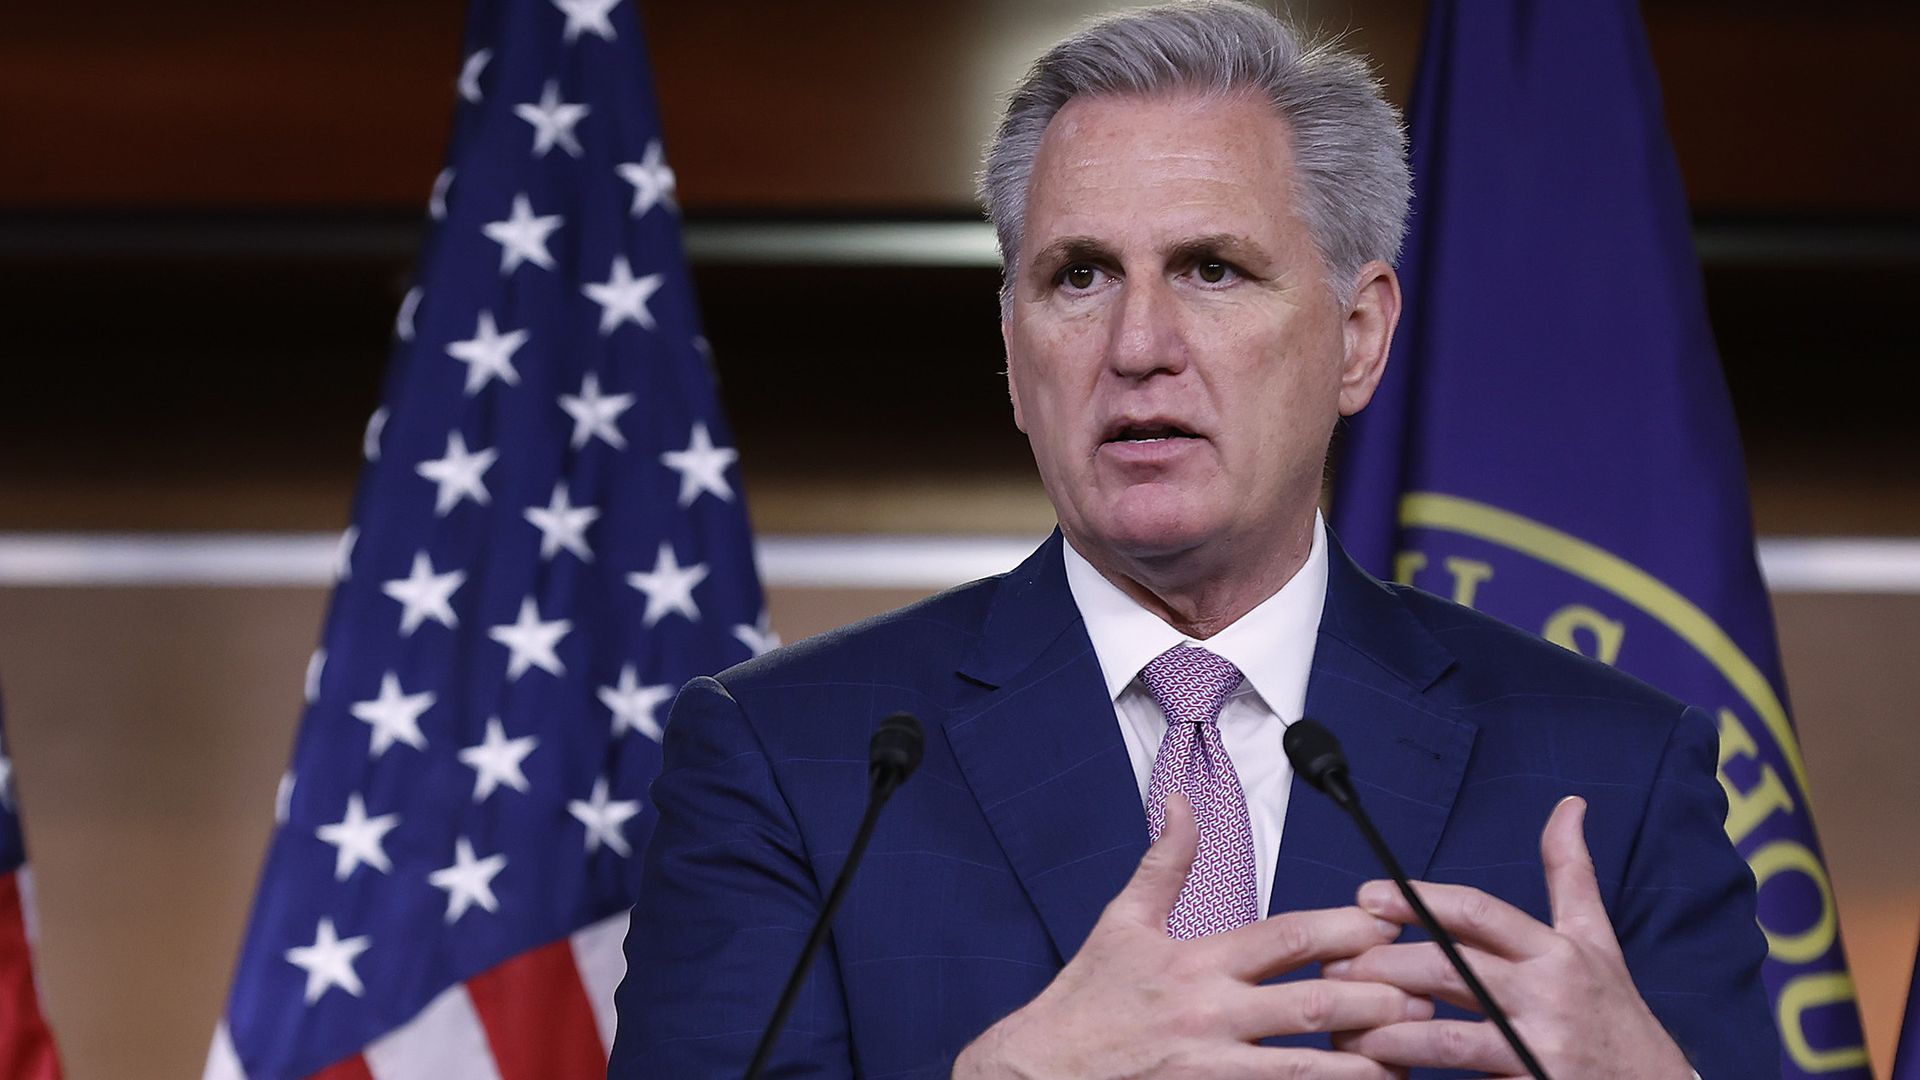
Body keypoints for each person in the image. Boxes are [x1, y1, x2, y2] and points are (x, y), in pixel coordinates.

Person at [608, 3, 1775, 1077]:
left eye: (1211, 269)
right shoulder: (794, 763)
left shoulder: (1613, 774)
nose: (1139, 343)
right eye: (1080, 276)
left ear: (1359, 338)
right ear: (1015, 353)